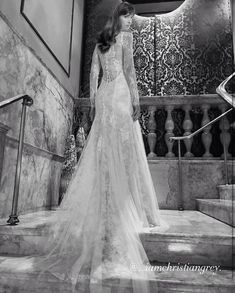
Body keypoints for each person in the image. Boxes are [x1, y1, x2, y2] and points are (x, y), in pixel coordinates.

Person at [31, 2, 164, 292]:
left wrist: (93, 103)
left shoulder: (101, 42)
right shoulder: (126, 39)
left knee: (104, 149)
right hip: (118, 94)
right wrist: (136, 101)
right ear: (120, 17)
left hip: (104, 96)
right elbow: (129, 73)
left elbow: (93, 74)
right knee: (123, 150)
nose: (131, 23)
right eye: (129, 18)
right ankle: (124, 201)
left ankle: (108, 195)